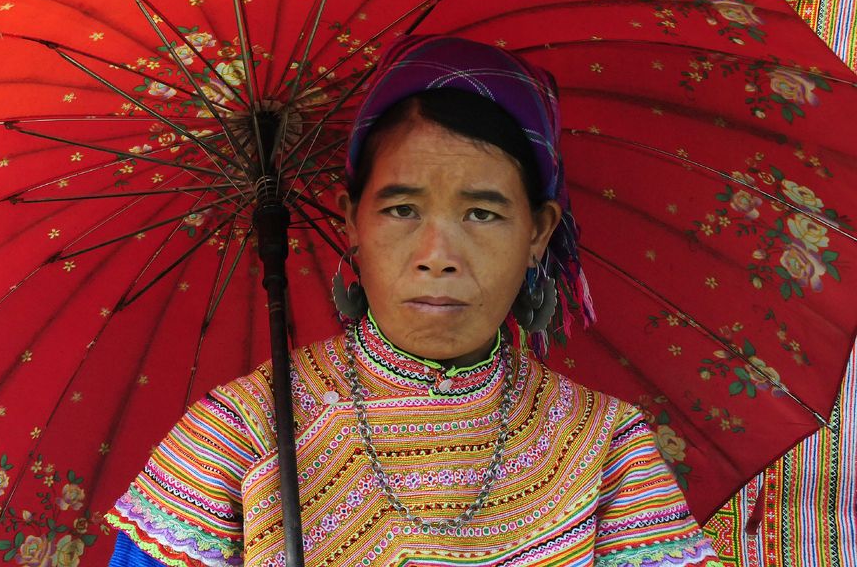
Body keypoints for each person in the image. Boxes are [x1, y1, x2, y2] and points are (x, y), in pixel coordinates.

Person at [105, 36, 722, 566]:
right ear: (353, 221)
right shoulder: (240, 436)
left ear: (537, 232)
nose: (437, 254)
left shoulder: (605, 449)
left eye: (482, 213)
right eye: (402, 210)